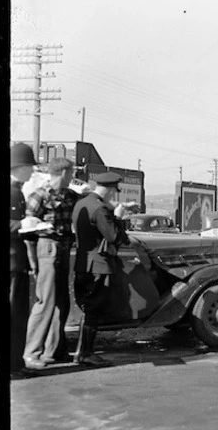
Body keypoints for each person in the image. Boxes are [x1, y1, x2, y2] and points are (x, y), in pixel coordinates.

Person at [22, 157, 79, 369]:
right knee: (45, 302)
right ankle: (31, 353)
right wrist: (33, 260)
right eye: (71, 172)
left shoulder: (70, 195)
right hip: (47, 246)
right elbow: (27, 230)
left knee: (61, 303)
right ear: (63, 172)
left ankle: (53, 351)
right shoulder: (40, 195)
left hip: (62, 248)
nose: (72, 176)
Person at [71, 172, 130, 365]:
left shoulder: (81, 203)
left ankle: (81, 352)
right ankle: (86, 354)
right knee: (94, 309)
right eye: (113, 192)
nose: (113, 196)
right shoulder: (100, 208)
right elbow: (113, 236)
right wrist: (119, 218)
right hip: (99, 266)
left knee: (88, 309)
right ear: (109, 189)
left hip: (83, 263)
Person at [9, 143, 38, 379]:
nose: (32, 172)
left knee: (18, 315)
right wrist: (22, 225)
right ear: (19, 167)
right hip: (11, 263)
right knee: (13, 314)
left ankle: (16, 362)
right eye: (30, 167)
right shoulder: (12, 191)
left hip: (17, 263)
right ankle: (12, 366)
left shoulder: (16, 190)